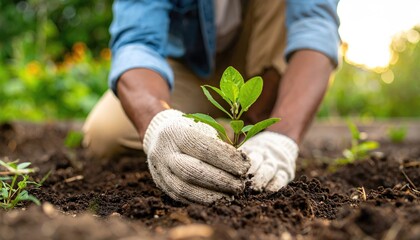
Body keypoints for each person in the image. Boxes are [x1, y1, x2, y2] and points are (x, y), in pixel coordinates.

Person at [82, 0, 340, 204]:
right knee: (108, 132)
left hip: (264, 61)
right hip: (187, 63)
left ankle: (264, 138)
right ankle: (228, 144)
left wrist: (282, 138)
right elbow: (137, 41)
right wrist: (159, 120)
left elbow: (315, 27)